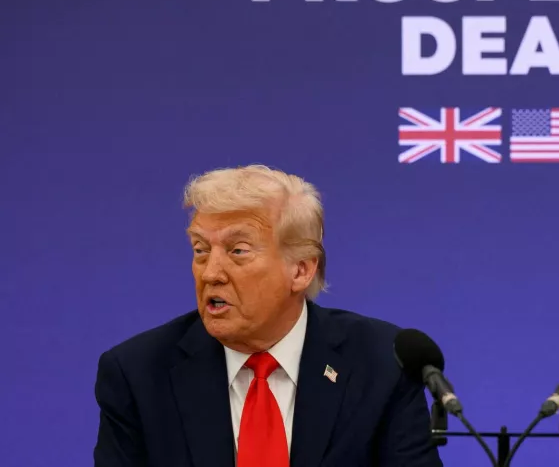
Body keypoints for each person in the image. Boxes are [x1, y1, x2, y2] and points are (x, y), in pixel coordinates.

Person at [93, 165, 443, 467]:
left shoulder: (380, 363)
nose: (211, 272)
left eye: (238, 251)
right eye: (200, 250)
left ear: (301, 271)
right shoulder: (138, 374)